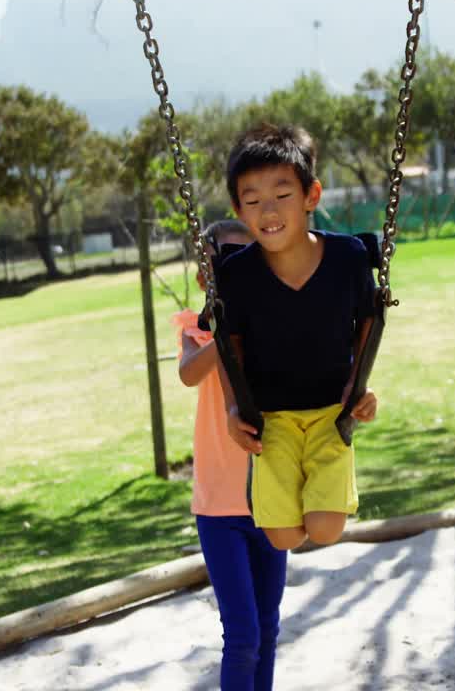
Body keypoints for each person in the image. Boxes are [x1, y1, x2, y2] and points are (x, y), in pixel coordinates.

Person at [204, 122, 379, 552]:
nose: (269, 212)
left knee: (325, 529)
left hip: (332, 413)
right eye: (253, 201)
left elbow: (369, 324)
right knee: (282, 537)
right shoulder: (237, 275)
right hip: (271, 419)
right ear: (238, 209)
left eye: (282, 196)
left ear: (310, 197)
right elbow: (231, 346)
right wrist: (232, 408)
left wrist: (359, 386)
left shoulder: (348, 260)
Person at [174, 219, 286, 691]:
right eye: (228, 261)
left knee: (268, 627)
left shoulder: (273, 323)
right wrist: (225, 329)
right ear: (205, 276)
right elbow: (187, 373)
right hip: (219, 509)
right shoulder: (197, 328)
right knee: (241, 635)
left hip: (272, 500)